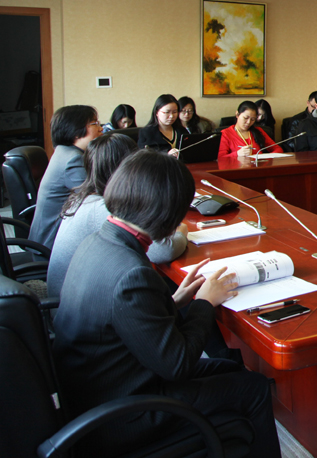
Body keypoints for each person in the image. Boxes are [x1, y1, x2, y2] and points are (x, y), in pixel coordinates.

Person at [51, 150, 279, 458]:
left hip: (100, 389)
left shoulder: (98, 241)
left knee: (228, 368)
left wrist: (175, 300)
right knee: (253, 387)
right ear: (169, 212)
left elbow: (125, 319)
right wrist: (203, 303)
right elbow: (177, 364)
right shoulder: (131, 274)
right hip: (122, 414)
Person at [48, 133, 188, 299]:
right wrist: (182, 232)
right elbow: (163, 251)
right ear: (124, 168)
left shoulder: (84, 196)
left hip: (79, 294)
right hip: (78, 301)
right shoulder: (103, 208)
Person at [28, 105, 103, 252]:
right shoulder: (73, 159)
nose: (101, 128)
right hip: (52, 243)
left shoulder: (64, 152)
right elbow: (94, 199)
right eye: (95, 123)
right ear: (76, 131)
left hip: (52, 234)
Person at [218, 101, 284, 159]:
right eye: (245, 118)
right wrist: (237, 154)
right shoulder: (225, 134)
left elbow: (278, 149)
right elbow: (220, 158)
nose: (249, 122)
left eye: (253, 119)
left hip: (259, 167)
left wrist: (267, 157)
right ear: (237, 114)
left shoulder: (259, 131)